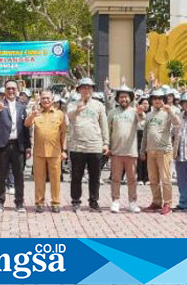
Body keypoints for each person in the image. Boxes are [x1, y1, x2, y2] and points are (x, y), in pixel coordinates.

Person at [66, 78, 108, 212]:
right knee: (76, 176)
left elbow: (104, 125)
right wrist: (76, 110)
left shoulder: (99, 105)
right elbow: (68, 119)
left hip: (94, 145)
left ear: (93, 89)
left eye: (89, 87)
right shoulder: (72, 104)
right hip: (77, 145)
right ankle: (76, 201)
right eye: (83, 87)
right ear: (79, 90)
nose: (86, 90)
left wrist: (106, 143)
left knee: (95, 176)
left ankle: (94, 201)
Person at [0, 80, 30, 213]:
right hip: (2, 144)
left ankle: (19, 203)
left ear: (17, 90)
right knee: (0, 175)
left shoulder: (22, 106)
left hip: (18, 145)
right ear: (5, 90)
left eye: (13, 89)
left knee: (19, 175)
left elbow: (26, 128)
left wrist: (28, 146)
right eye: (8, 89)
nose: (11, 91)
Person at [25, 89, 66, 213]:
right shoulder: (36, 113)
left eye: (48, 98)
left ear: (53, 99)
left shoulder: (59, 114)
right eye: (43, 98)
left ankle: (56, 202)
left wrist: (64, 150)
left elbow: (64, 133)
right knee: (39, 179)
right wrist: (32, 114)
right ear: (40, 100)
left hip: (55, 152)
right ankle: (39, 202)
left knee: (55, 179)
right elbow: (26, 124)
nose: (46, 100)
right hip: (39, 153)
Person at [140, 88, 180, 215]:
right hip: (150, 150)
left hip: (164, 150)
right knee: (153, 178)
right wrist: (142, 150)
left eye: (160, 98)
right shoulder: (149, 115)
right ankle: (156, 202)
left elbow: (177, 123)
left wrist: (170, 112)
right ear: (152, 101)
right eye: (155, 99)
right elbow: (145, 134)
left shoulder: (168, 112)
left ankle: (168, 203)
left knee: (165, 179)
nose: (157, 101)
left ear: (163, 100)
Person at [107, 84, 144, 213]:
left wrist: (140, 114)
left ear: (131, 98)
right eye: (121, 97)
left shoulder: (135, 112)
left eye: (126, 97)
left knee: (132, 179)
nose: (124, 99)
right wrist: (107, 145)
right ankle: (115, 201)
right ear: (117, 99)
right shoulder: (112, 113)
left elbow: (142, 124)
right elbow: (107, 130)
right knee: (116, 178)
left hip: (131, 151)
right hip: (116, 151)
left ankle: (132, 202)